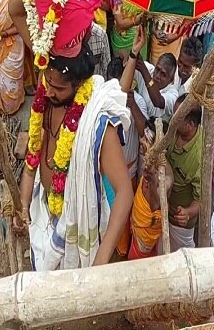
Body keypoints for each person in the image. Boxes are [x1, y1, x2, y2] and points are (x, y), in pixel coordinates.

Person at [17, 45, 134, 270]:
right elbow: (33, 160)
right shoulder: (47, 100)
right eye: (47, 83)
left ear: (78, 84)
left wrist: (101, 259)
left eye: (58, 88)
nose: (50, 92)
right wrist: (23, 204)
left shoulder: (96, 122)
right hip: (43, 212)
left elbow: (125, 192)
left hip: (75, 225)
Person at [165, 94, 202, 251]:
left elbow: (201, 200)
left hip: (179, 220)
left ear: (190, 125)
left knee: (181, 254)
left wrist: (187, 213)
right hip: (165, 207)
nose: (172, 120)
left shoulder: (200, 156)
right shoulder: (174, 130)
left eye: (177, 117)